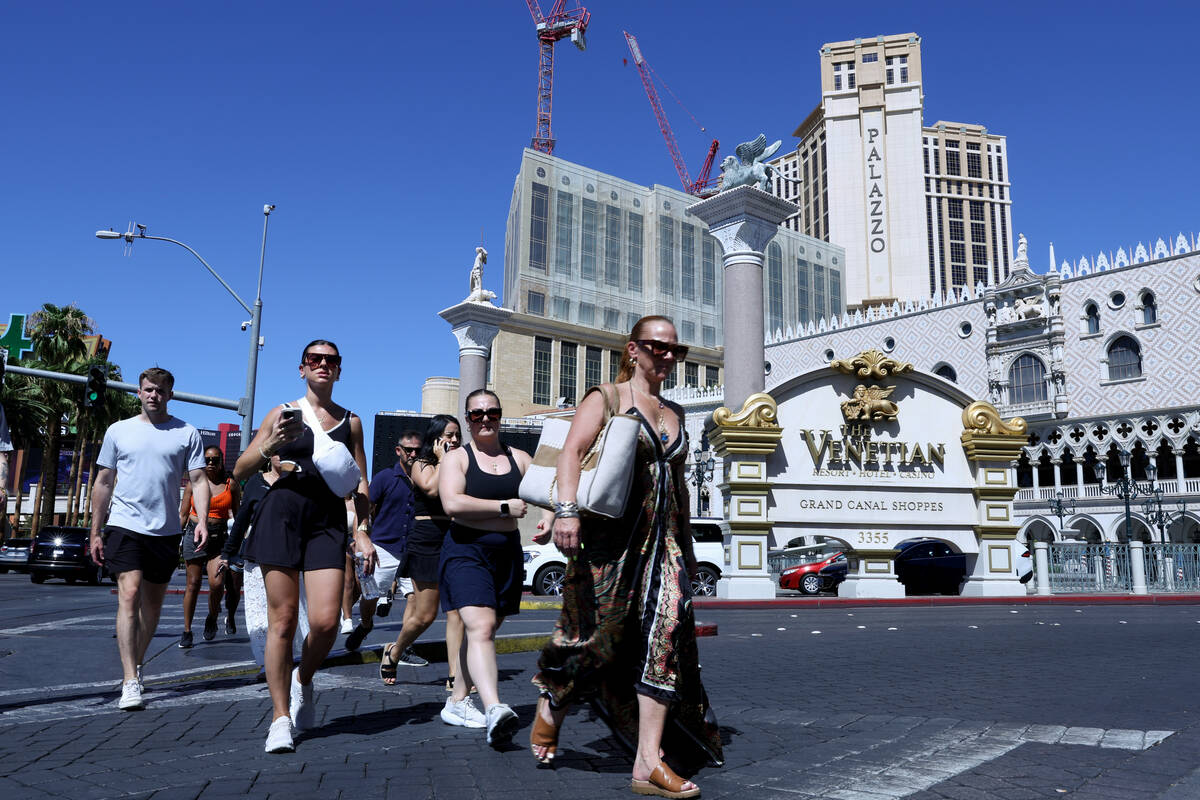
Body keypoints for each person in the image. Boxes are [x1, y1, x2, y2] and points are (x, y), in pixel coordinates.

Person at [530, 316, 723, 797]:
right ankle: (553, 701)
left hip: (666, 546)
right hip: (610, 545)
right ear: (634, 350)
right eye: (657, 348)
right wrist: (566, 512)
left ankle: (647, 762)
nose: (667, 357)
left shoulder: (676, 411)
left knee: (666, 636)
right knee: (599, 640)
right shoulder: (607, 397)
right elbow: (571, 453)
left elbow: (677, 483)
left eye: (675, 350)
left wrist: (689, 549)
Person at [234, 339, 376, 754]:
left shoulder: (351, 422)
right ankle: (280, 718)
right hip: (282, 515)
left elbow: (360, 483)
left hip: (327, 522)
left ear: (339, 370)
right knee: (282, 621)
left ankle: (304, 679)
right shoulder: (282, 412)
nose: (323, 365)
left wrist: (362, 529)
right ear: (302, 368)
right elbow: (242, 470)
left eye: (331, 361)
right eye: (315, 359)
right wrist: (268, 445)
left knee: (327, 622)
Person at [88, 367, 209, 712]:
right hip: (124, 526)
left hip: (166, 530)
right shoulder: (118, 431)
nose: (153, 395)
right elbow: (104, 483)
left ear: (170, 394)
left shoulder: (186, 433)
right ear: (138, 393)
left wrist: (198, 520)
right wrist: (96, 530)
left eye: (159, 390)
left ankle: (137, 664)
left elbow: (198, 480)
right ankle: (129, 680)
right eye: (147, 389)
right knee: (128, 595)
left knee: (151, 606)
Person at [437, 390, 530, 745]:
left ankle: (458, 700)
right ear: (467, 419)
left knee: (483, 633)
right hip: (466, 550)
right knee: (481, 625)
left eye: (492, 412)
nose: (485, 419)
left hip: (507, 553)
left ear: (501, 415)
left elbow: (544, 490)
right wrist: (504, 507)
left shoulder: (519, 457)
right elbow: (452, 503)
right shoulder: (456, 459)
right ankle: (494, 708)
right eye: (477, 415)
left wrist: (551, 519)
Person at [376, 415, 464, 685]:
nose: (454, 440)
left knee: (456, 612)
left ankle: (455, 675)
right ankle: (395, 650)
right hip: (426, 539)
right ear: (436, 438)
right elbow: (431, 488)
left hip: (454, 537)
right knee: (425, 615)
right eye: (448, 435)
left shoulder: (461, 462)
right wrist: (445, 460)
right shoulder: (421, 464)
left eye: (457, 435)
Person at [345, 429, 426, 671]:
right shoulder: (384, 477)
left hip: (413, 550)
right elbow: (365, 505)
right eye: (408, 450)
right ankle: (366, 624)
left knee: (414, 598)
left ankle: (403, 646)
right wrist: (360, 534)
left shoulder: (427, 478)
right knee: (369, 597)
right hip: (383, 548)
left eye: (417, 450)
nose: (413, 454)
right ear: (398, 451)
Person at [178, 446, 241, 647]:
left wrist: (240, 542)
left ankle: (212, 618)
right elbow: (183, 514)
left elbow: (238, 515)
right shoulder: (194, 483)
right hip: (194, 535)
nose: (211, 463)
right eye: (207, 460)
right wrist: (173, 540)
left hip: (219, 538)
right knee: (193, 583)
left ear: (222, 461)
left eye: (215, 460)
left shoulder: (231, 485)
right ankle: (187, 631)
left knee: (216, 584)